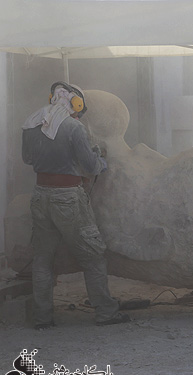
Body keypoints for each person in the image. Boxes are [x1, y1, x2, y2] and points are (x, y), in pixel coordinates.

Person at [21, 81, 130, 329]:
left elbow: (27, 159)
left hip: (40, 195)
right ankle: (106, 312)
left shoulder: (31, 123)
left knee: (42, 259)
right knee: (93, 255)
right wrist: (100, 161)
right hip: (68, 198)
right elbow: (91, 166)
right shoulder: (74, 127)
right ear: (76, 104)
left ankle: (42, 318)